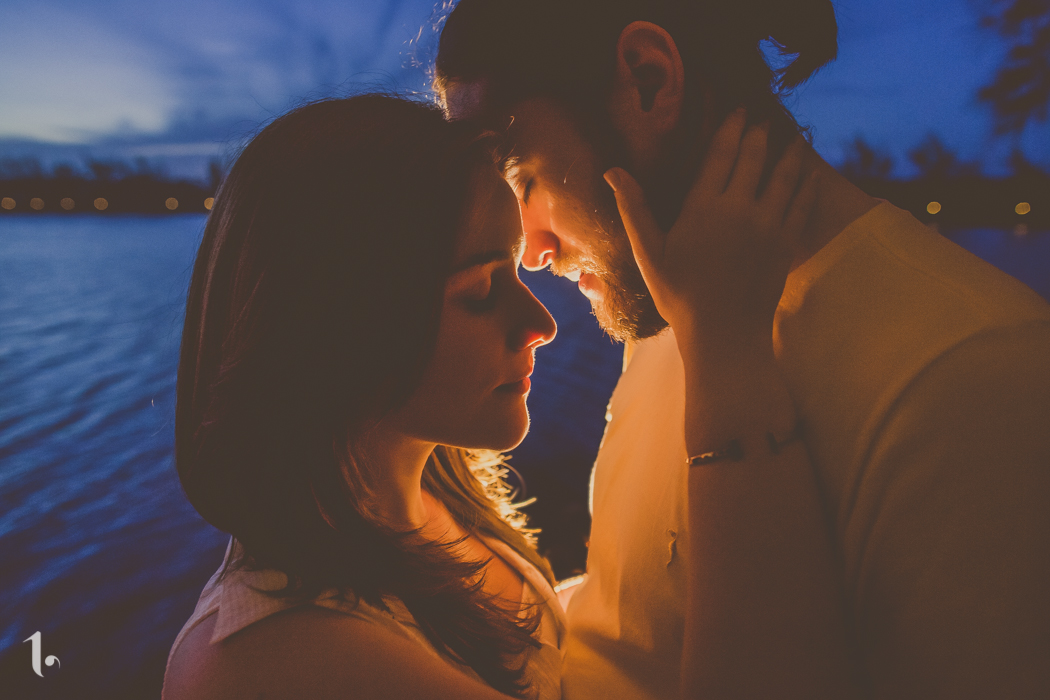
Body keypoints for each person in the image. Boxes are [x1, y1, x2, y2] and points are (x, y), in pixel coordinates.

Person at [434, 1, 1050, 699]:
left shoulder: (974, 374)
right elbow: (635, 633)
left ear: (649, 80)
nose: (531, 251)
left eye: (522, 181)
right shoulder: (679, 309)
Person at [161, 93, 833, 699]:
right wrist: (727, 354)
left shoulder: (427, 489)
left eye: (512, 267)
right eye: (481, 291)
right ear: (345, 326)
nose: (542, 324)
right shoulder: (276, 664)